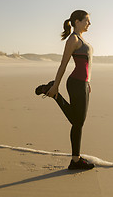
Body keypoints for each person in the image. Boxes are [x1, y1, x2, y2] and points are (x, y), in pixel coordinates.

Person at [35, 10, 95, 170]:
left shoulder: (81, 39)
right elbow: (63, 64)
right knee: (78, 122)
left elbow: (87, 65)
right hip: (76, 83)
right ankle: (75, 160)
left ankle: (75, 160)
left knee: (77, 121)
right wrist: (56, 85)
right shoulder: (73, 40)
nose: (89, 23)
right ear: (77, 21)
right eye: (87, 20)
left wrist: (88, 82)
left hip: (83, 83)